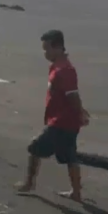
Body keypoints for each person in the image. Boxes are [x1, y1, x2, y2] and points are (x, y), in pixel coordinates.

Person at [18, 29, 90, 202]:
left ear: (58, 47)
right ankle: (76, 192)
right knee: (69, 155)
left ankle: (29, 183)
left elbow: (73, 95)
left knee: (35, 148)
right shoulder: (58, 66)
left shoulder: (64, 70)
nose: (45, 53)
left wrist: (80, 113)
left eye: (47, 49)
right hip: (64, 120)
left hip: (62, 122)